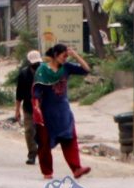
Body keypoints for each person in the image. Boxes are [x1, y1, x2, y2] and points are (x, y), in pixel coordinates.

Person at [31, 43, 92, 180]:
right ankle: (47, 171)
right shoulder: (42, 70)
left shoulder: (66, 68)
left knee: (69, 138)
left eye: (66, 56)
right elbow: (37, 90)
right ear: (55, 55)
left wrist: (75, 55)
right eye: (63, 56)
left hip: (63, 110)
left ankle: (76, 168)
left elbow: (86, 69)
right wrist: (36, 106)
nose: (65, 59)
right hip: (47, 111)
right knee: (45, 142)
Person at [12, 49, 43, 165]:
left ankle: (43, 153)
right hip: (29, 107)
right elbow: (19, 94)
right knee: (29, 130)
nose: (36, 65)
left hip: (43, 107)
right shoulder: (24, 74)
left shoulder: (45, 72)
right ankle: (32, 154)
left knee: (42, 131)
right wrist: (17, 110)